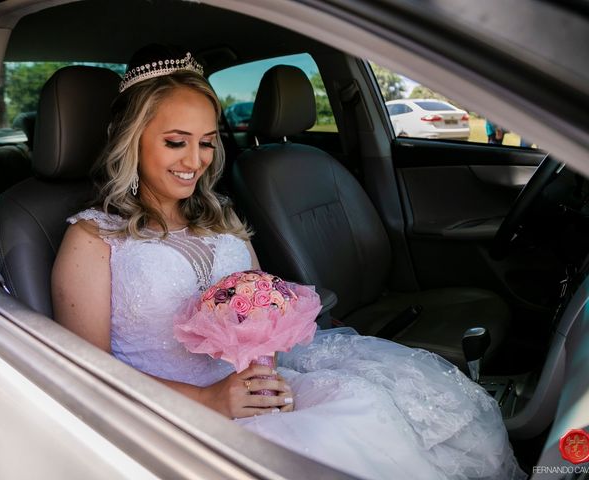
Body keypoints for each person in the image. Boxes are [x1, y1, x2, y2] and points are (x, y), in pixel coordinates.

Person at [52, 44, 526, 480]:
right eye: (176, 142)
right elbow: (88, 375)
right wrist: (209, 400)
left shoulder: (221, 217)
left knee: (372, 406)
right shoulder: (92, 240)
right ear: (132, 141)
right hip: (175, 413)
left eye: (207, 141)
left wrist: (269, 354)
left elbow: (264, 301)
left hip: (264, 385)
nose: (194, 161)